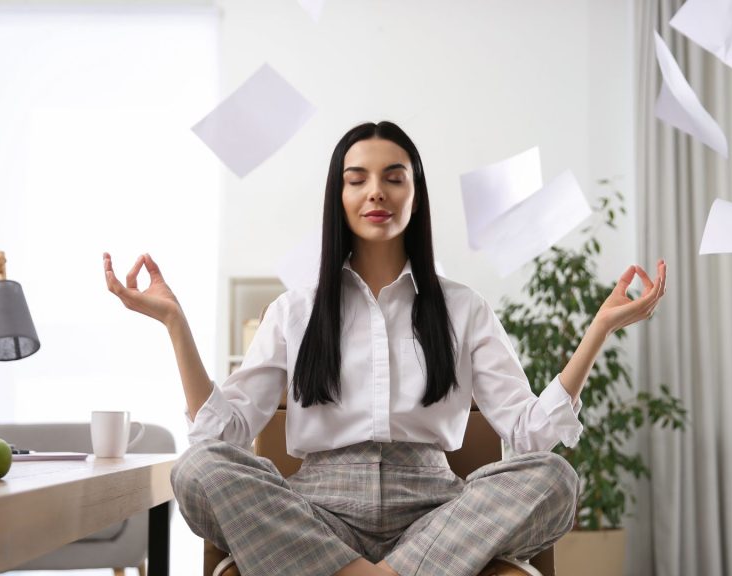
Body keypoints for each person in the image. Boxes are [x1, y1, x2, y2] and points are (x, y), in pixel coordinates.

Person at [104, 121, 666, 576]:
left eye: (394, 177)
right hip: (316, 514)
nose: (376, 191)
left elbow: (530, 436)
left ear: (415, 194)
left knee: (555, 479)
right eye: (358, 179)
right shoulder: (294, 310)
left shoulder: (463, 308)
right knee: (199, 467)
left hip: (436, 515)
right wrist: (175, 324)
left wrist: (598, 332)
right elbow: (219, 436)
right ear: (339, 196)